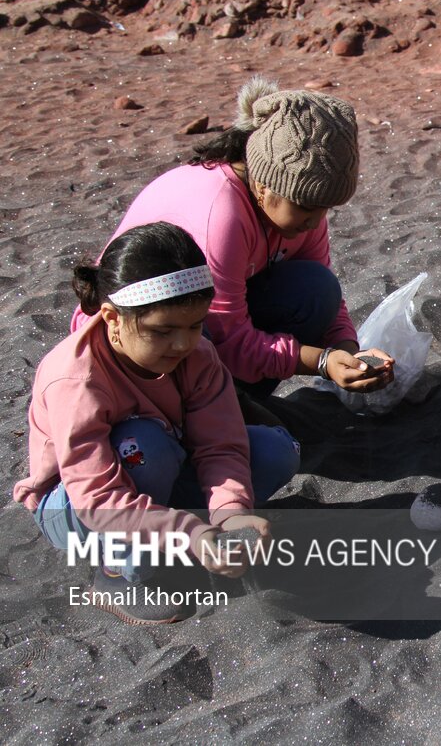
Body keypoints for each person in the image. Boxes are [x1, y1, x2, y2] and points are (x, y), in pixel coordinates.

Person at [15, 223, 300, 624]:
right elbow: (96, 499)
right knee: (142, 445)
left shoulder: (197, 356)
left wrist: (231, 514)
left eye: (194, 325)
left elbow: (220, 444)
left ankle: (177, 537)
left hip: (162, 465)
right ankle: (118, 574)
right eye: (163, 331)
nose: (183, 344)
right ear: (113, 318)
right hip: (76, 508)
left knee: (275, 451)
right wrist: (190, 533)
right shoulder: (76, 380)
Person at [73, 77, 394, 405]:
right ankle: (210, 409)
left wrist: (348, 351)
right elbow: (226, 337)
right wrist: (322, 362)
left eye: (326, 208)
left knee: (317, 289)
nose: (315, 221)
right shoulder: (222, 213)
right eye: (307, 208)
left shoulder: (302, 210)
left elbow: (326, 296)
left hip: (196, 325)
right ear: (265, 185)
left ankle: (231, 405)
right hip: (141, 340)